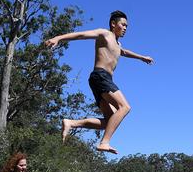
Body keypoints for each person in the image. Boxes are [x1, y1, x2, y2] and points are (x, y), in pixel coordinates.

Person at [45, 10, 153, 155]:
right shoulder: (104, 34)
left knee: (109, 120)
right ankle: (104, 142)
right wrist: (58, 38)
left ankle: (71, 123)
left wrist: (141, 57)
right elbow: (81, 35)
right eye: (123, 25)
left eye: (127, 26)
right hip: (100, 76)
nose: (126, 28)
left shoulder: (117, 43)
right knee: (125, 107)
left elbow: (124, 52)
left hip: (101, 80)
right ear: (113, 24)